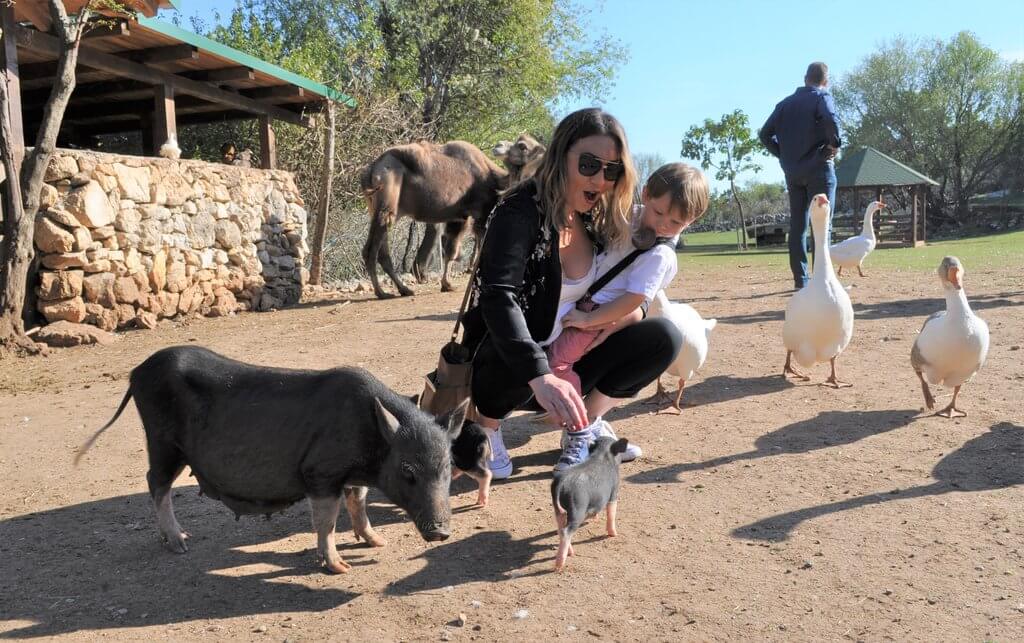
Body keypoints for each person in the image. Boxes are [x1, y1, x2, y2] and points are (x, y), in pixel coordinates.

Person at [459, 108, 683, 478]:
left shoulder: (595, 216)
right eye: (589, 164)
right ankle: (487, 427)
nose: (600, 179)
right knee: (516, 329)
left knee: (663, 337)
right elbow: (498, 296)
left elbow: (633, 287)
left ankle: (583, 424)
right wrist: (540, 375)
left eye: (612, 170)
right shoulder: (519, 212)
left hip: (569, 360)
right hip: (511, 369)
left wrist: (622, 318)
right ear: (561, 156)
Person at [547, 162, 709, 470]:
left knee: (557, 364)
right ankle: (583, 424)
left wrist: (589, 321)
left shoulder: (660, 254)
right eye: (658, 212)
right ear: (645, 194)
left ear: (691, 222)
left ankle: (579, 427)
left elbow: (635, 299)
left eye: (676, 222)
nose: (663, 225)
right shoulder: (628, 216)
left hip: (591, 314)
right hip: (572, 301)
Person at [759, 61, 843, 290]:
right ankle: (822, 280)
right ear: (825, 81)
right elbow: (830, 118)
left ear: (805, 79)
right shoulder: (821, 97)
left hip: (793, 172)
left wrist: (784, 156)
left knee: (798, 225)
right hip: (819, 168)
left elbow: (765, 134)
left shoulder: (784, 104)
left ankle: (801, 281)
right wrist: (834, 144)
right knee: (822, 224)